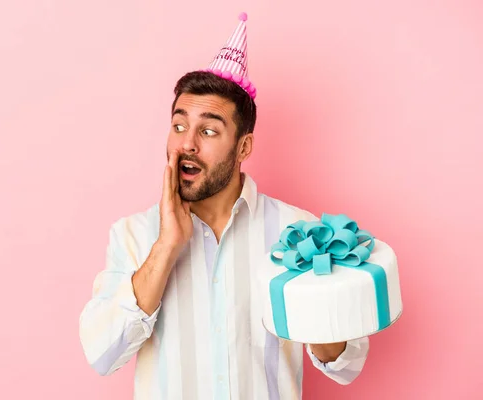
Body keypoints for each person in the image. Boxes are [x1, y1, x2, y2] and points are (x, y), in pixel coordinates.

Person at [79, 13, 369, 399]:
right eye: (179, 126)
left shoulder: (299, 233)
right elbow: (102, 353)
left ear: (243, 147)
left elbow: (347, 365)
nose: (187, 144)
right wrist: (166, 246)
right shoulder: (132, 235)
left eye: (209, 130)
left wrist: (314, 301)